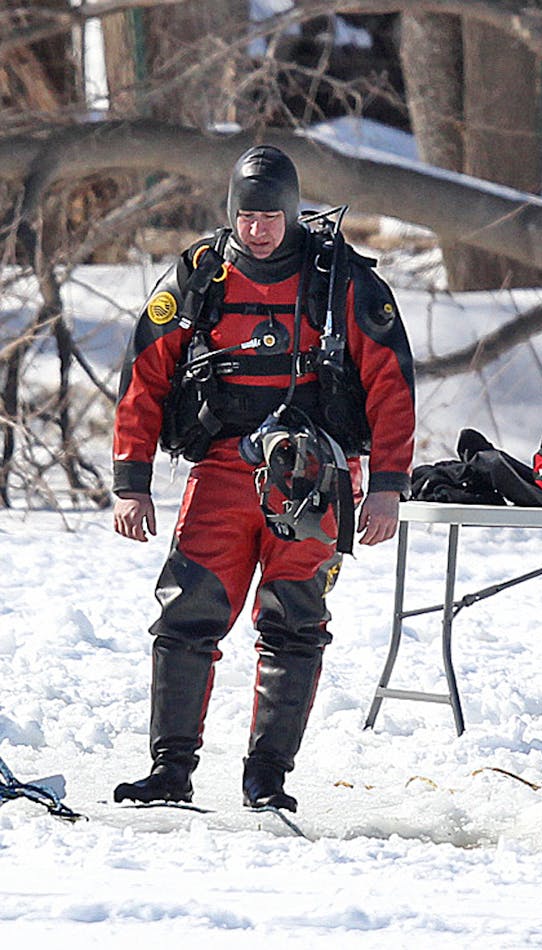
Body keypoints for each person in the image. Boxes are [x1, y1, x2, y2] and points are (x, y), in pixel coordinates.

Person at [110, 145, 416, 812]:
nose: (258, 229)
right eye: (246, 217)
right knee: (186, 613)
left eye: (270, 216)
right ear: (232, 215)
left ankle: (268, 776)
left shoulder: (342, 281)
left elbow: (391, 384)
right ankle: (170, 770)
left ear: (292, 212)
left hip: (315, 472)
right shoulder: (199, 277)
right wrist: (130, 479)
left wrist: (389, 484)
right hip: (223, 467)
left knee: (294, 622)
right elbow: (147, 374)